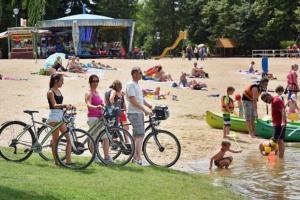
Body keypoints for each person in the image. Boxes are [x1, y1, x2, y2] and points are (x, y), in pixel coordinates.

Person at [126, 67, 152, 165]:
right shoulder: (131, 84)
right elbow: (133, 100)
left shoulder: (137, 85)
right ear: (134, 74)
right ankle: (138, 158)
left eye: (141, 73)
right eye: (139, 73)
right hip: (134, 113)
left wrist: (148, 105)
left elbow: (140, 98)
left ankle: (134, 157)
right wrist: (144, 109)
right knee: (140, 135)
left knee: (136, 136)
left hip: (138, 112)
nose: (141, 74)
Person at [47, 74, 73, 165]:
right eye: (62, 80)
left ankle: (68, 161)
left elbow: (60, 105)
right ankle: (56, 162)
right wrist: (64, 105)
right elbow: (54, 105)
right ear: (56, 81)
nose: (63, 82)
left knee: (69, 140)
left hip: (60, 116)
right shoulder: (50, 92)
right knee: (56, 140)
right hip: (54, 117)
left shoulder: (58, 90)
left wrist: (68, 106)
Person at [85, 74, 111, 163]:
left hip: (100, 118)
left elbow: (101, 103)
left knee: (106, 137)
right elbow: (88, 104)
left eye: (97, 81)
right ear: (90, 82)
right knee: (94, 138)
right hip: (93, 117)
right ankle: (94, 156)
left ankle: (107, 157)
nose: (95, 83)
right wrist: (96, 107)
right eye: (93, 81)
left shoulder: (97, 92)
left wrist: (102, 106)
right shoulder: (89, 93)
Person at [261, 92, 286, 158]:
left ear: (269, 95)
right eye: (265, 101)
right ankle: (276, 155)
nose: (266, 102)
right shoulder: (274, 100)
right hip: (277, 124)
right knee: (277, 140)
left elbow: (283, 110)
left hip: (279, 124)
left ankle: (281, 158)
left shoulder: (276, 101)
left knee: (279, 141)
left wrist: (283, 122)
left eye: (266, 100)